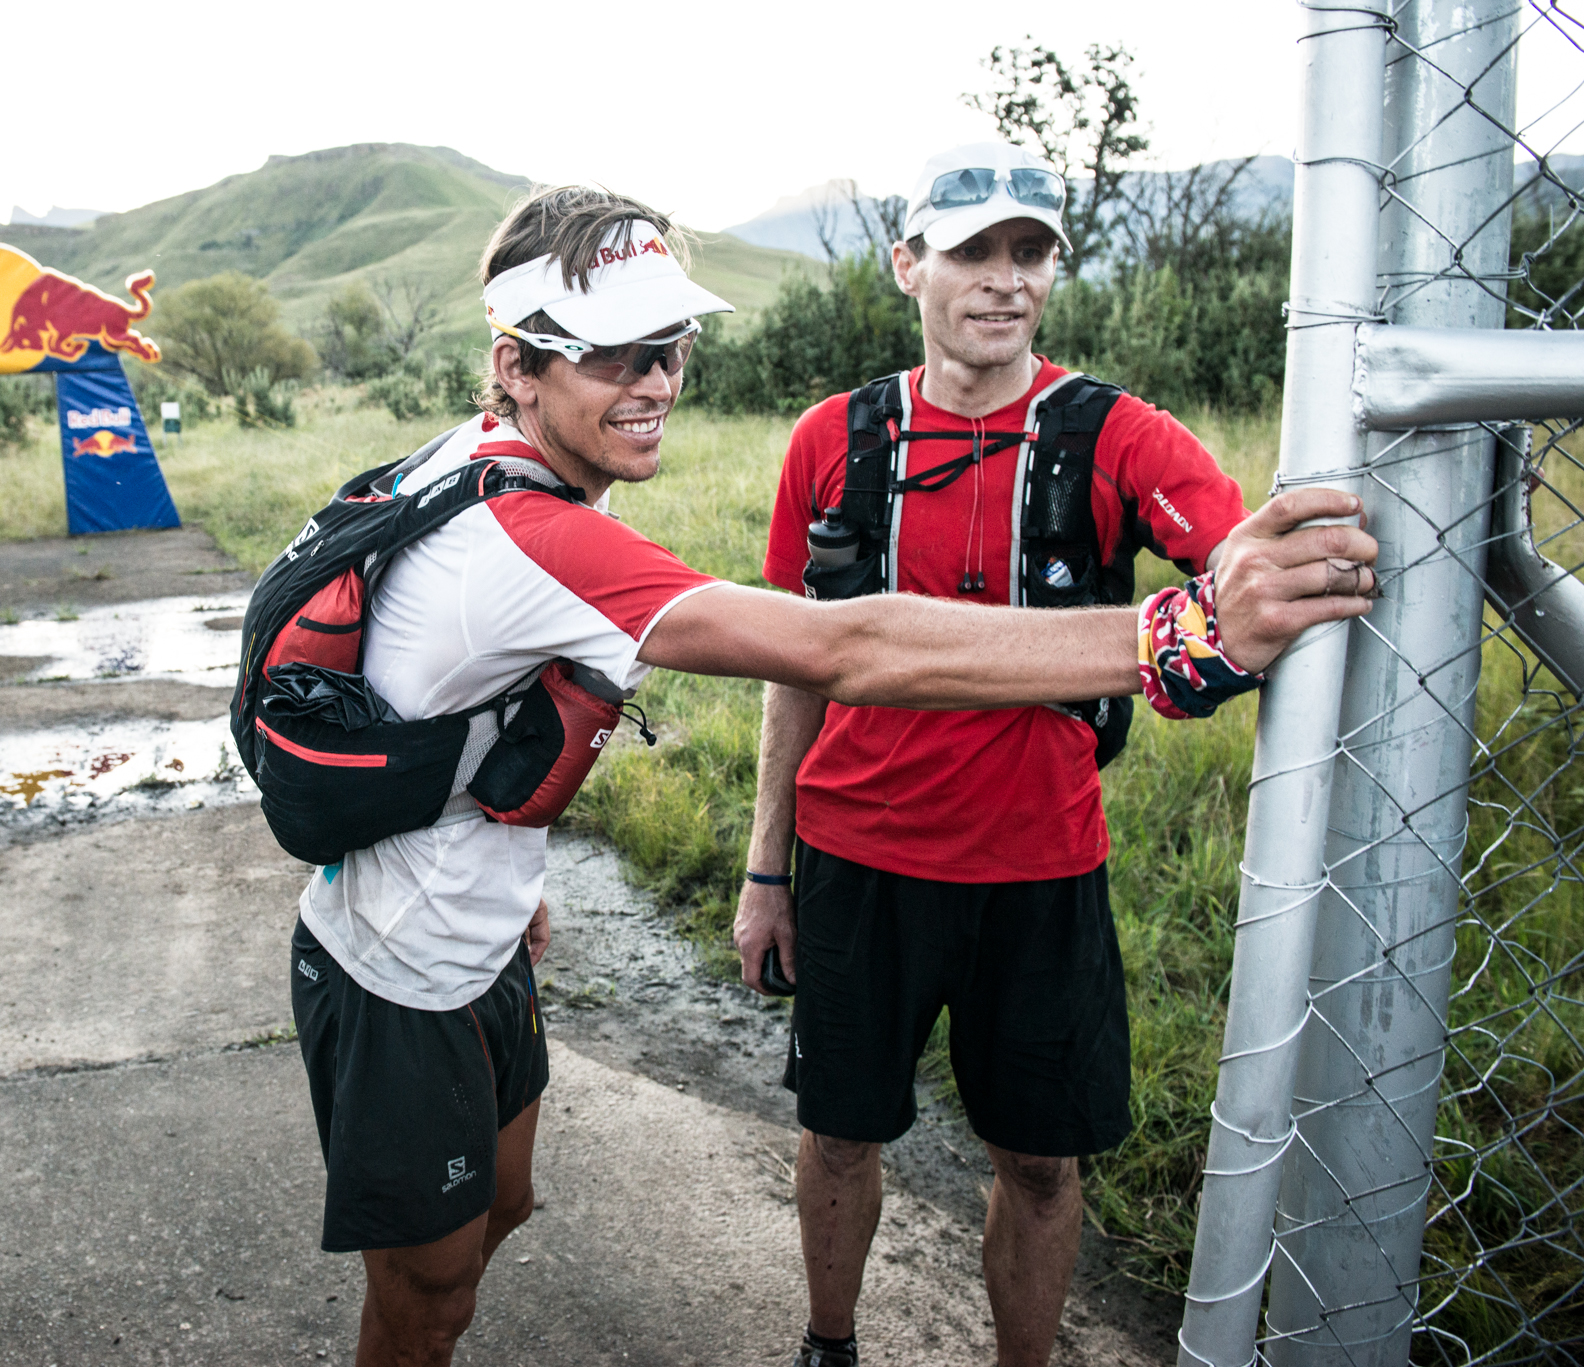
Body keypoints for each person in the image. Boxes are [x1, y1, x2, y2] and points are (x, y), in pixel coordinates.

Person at [285, 183, 1375, 1367]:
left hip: (477, 929)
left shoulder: (481, 466)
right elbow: (845, 646)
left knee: (503, 1210)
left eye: (668, 347)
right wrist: (1176, 635)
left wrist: (499, 865)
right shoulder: (542, 533)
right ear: (517, 365)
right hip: (402, 962)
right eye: (610, 355)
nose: (652, 382)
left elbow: (438, 687)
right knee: (430, 1291)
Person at [731, 140, 1284, 1367]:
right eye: (971, 250)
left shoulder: (1115, 435)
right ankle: (829, 1343)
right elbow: (792, 665)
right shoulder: (834, 439)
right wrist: (764, 871)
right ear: (906, 265)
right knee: (838, 1129)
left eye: (1028, 251)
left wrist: (1257, 580)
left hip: (1037, 868)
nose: (1002, 279)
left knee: (1039, 1157)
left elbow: (1237, 566)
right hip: (852, 855)